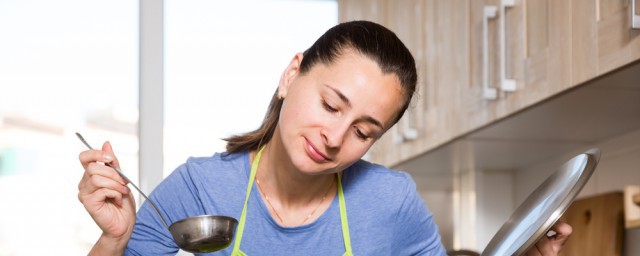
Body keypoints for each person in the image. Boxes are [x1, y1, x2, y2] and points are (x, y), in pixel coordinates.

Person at [78, 20, 572, 255]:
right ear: (293, 74)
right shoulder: (198, 189)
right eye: (331, 104)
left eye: (363, 130)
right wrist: (114, 237)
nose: (335, 137)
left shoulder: (390, 202)